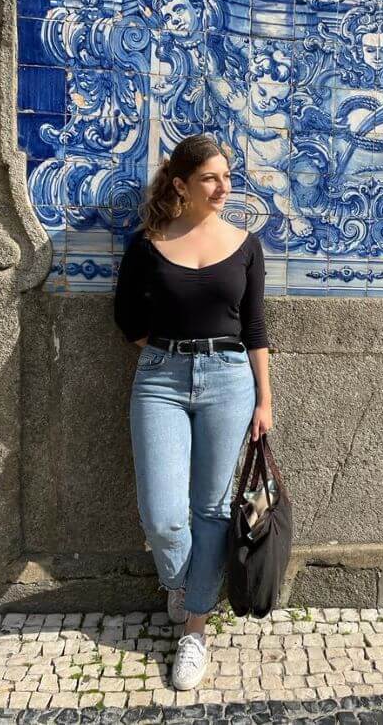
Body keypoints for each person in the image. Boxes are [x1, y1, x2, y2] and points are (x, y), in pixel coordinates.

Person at [113, 133, 273, 692]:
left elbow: (254, 328)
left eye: (227, 176)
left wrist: (264, 400)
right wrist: (169, 358)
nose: (223, 186)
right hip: (160, 379)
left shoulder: (247, 244)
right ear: (181, 184)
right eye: (210, 177)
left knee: (210, 508)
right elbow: (127, 319)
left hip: (230, 382)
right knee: (161, 515)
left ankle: (195, 630)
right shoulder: (148, 243)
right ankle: (184, 586)